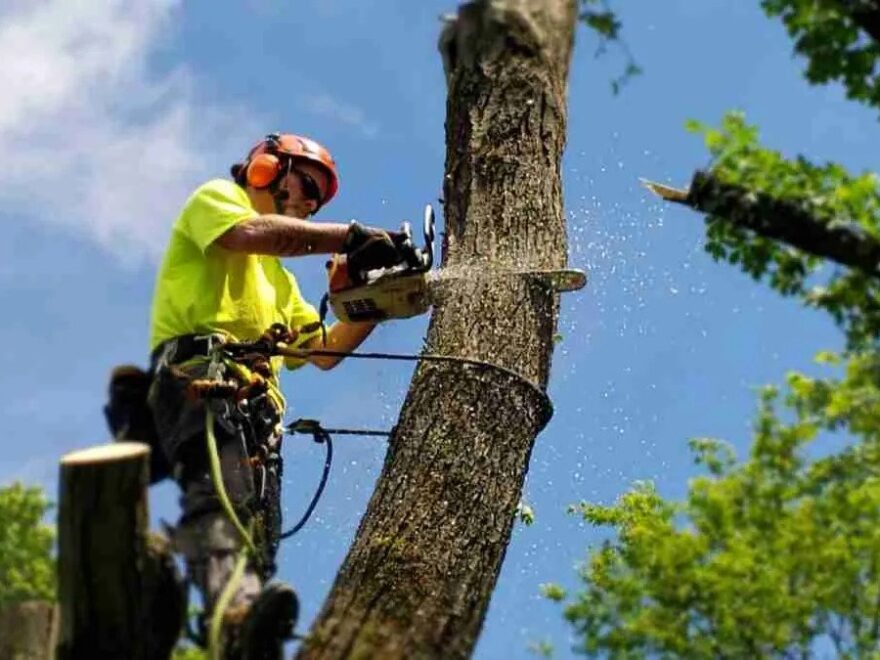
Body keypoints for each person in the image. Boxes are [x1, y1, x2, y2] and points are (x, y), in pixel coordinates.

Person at [146, 133, 409, 659]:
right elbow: (254, 235)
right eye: (305, 183)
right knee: (220, 499)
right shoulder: (219, 202)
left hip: (258, 414)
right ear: (265, 168)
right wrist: (351, 237)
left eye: (317, 199)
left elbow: (325, 351)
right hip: (200, 378)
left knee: (259, 537)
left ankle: (246, 634)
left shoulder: (281, 283)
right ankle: (234, 614)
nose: (308, 202)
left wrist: (377, 299)